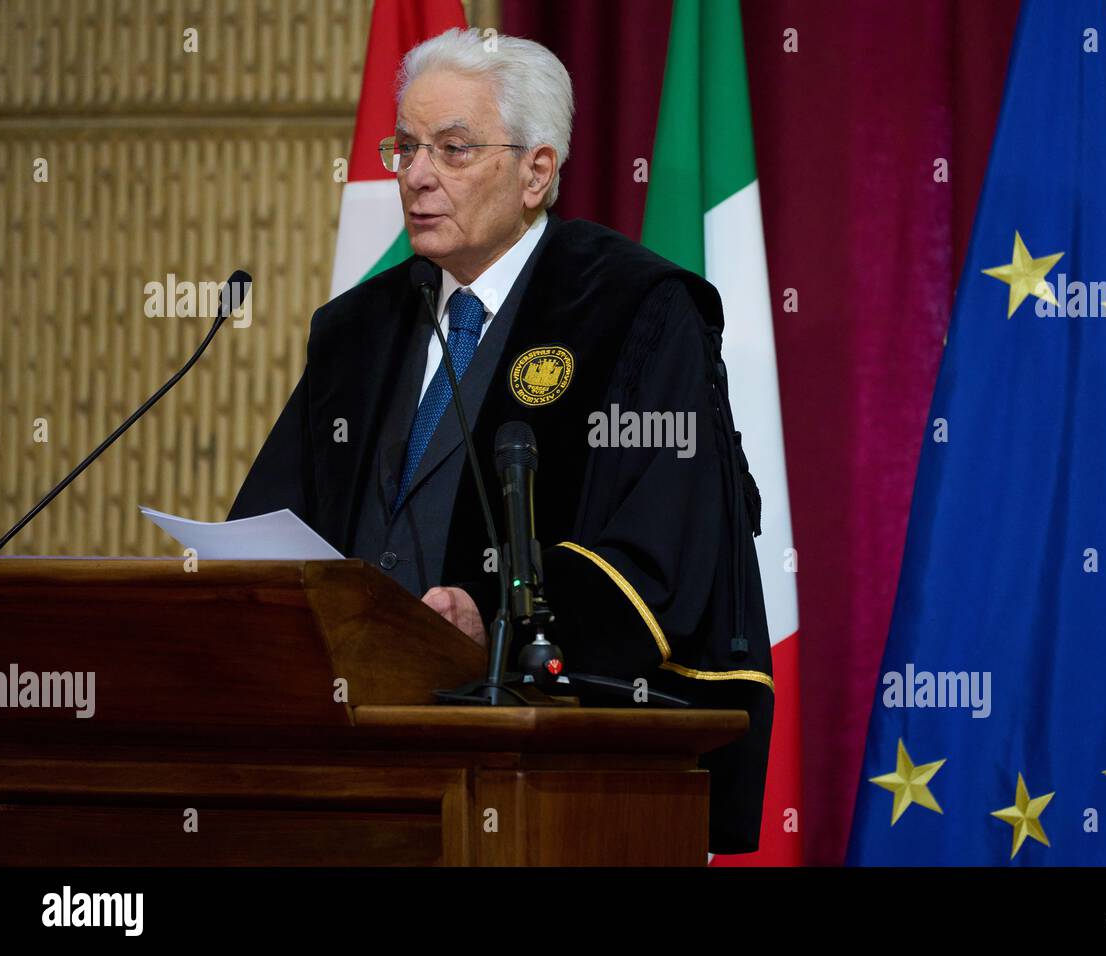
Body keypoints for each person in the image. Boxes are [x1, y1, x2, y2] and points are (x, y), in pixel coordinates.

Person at [228, 27, 773, 855]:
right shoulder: (359, 329)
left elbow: (665, 544)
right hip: (350, 761)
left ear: (537, 171)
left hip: (543, 767)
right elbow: (271, 535)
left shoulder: (636, 310)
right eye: (405, 146)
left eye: (452, 149)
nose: (415, 175)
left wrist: (495, 619)